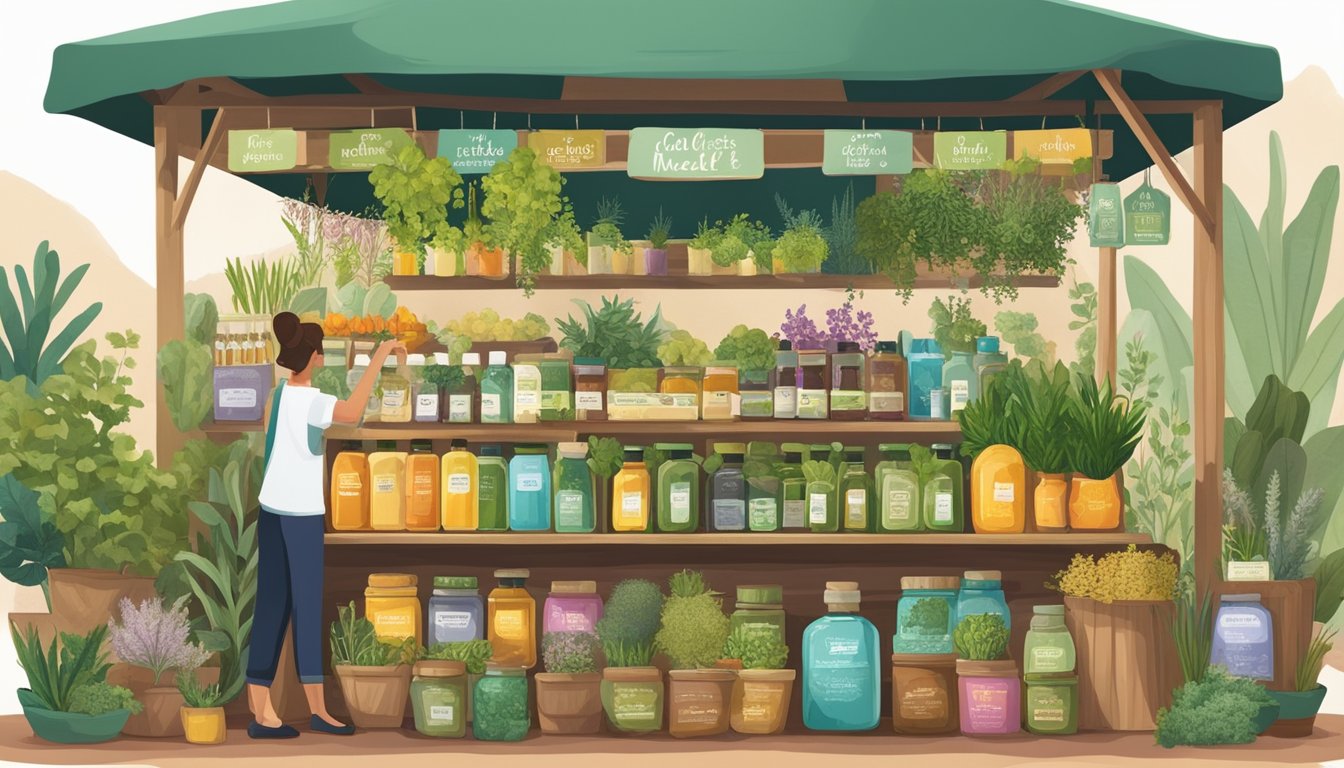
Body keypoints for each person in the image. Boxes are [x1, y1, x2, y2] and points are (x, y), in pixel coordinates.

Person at [247, 311, 405, 739]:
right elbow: (353, 413)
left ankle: (262, 712)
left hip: (271, 509)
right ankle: (318, 711)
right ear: (316, 356)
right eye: (320, 353)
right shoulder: (315, 402)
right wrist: (380, 356)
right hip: (300, 515)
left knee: (272, 606)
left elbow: (273, 443)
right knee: (306, 606)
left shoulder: (277, 396)